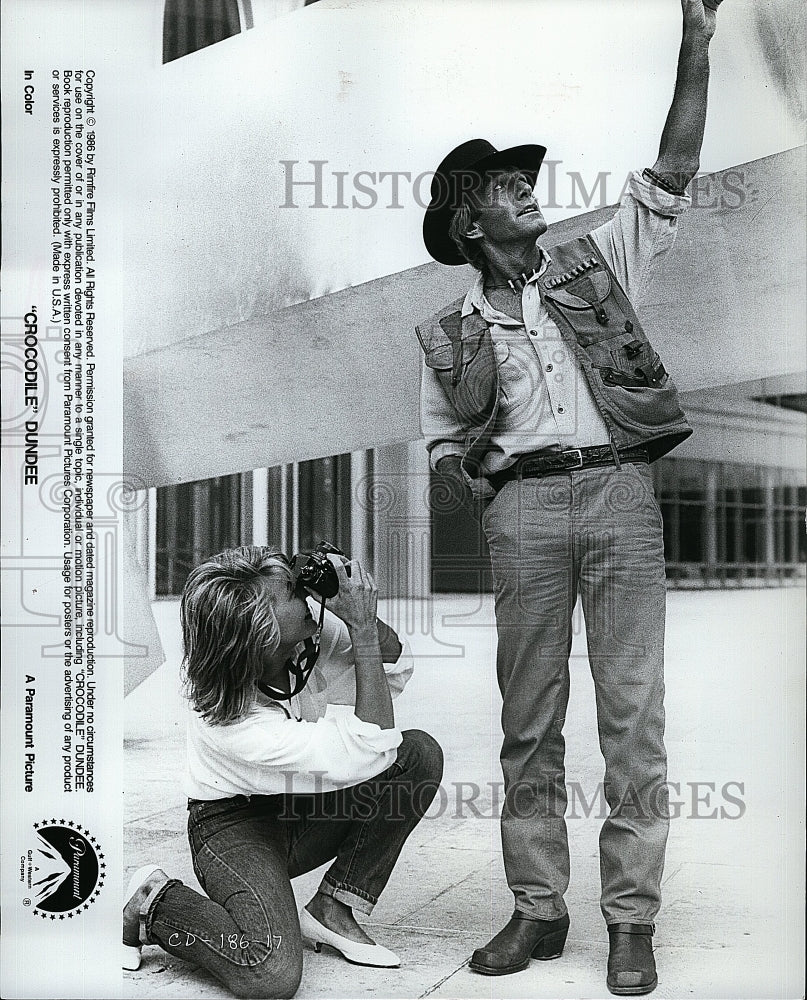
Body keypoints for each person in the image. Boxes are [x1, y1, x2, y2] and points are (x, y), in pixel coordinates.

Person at [416, 1, 723, 994]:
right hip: (527, 520)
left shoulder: (598, 263)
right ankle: (538, 912)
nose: (527, 189)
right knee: (528, 722)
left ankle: (631, 920)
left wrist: (694, 49)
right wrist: (483, 472)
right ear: (472, 221)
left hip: (623, 500)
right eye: (508, 185)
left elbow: (670, 171)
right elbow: (440, 460)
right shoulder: (447, 336)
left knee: (634, 717)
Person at [122, 546, 443, 999]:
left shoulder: (302, 637)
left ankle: (334, 907)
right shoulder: (231, 722)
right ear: (259, 631)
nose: (306, 597)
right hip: (235, 827)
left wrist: (356, 610)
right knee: (269, 971)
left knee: (417, 754)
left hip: (300, 803)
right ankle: (155, 900)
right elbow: (369, 748)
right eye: (293, 592)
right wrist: (362, 629)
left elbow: (395, 665)